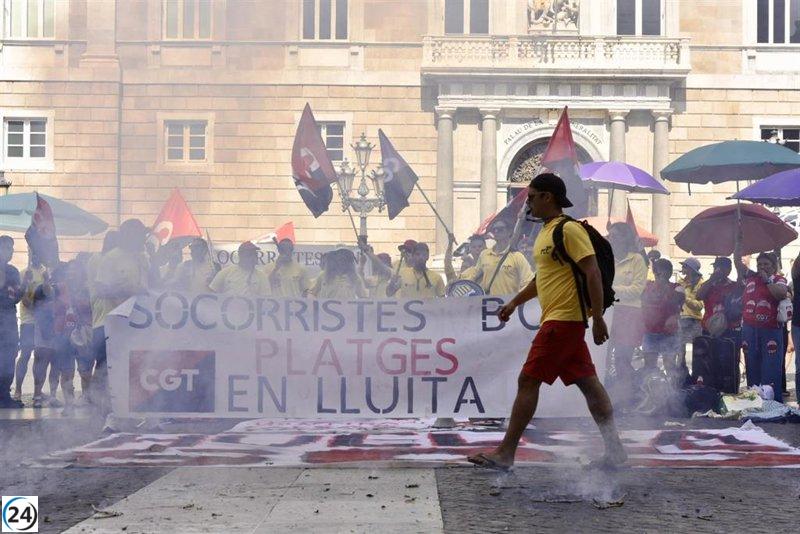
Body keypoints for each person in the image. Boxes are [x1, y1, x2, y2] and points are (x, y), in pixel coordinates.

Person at [467, 173, 626, 471]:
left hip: (563, 322)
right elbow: (544, 279)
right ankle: (615, 450)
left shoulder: (569, 230)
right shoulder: (546, 233)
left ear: (547, 197)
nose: (528, 202)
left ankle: (506, 453)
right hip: (561, 322)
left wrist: (599, 316)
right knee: (590, 386)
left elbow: (591, 272)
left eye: (532, 196)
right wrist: (514, 302)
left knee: (528, 380)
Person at [93, 219, 152, 412]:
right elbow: (101, 290)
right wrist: (126, 289)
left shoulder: (143, 258)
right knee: (108, 373)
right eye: (140, 235)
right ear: (129, 236)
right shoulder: (111, 258)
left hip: (136, 327)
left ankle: (135, 412)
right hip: (112, 327)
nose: (144, 239)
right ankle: (104, 414)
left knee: (135, 371)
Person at [735, 250, 788, 402]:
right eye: (759, 264)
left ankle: (771, 402)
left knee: (770, 366)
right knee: (751, 364)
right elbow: (738, 263)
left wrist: (767, 280)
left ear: (774, 266)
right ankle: (754, 399)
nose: (762, 267)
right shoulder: (751, 277)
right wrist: (738, 243)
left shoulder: (778, 279)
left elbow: (781, 294)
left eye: (766, 264)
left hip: (770, 330)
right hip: (750, 329)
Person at [606, 222, 647, 390]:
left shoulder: (637, 259)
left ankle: (626, 395)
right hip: (608, 313)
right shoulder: (606, 259)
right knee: (604, 357)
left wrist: (609, 290)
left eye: (614, 236)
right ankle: (607, 392)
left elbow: (637, 290)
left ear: (625, 238)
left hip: (630, 314)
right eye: (610, 236)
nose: (611, 239)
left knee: (623, 358)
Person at [640, 259, 686, 384]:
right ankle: (650, 394)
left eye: (665, 272)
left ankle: (673, 395)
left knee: (670, 368)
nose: (660, 275)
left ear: (670, 273)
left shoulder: (677, 287)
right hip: (650, 333)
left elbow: (678, 300)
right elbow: (644, 300)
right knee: (649, 368)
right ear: (654, 272)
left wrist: (664, 285)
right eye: (658, 272)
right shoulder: (648, 286)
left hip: (669, 334)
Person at [13, 250, 47, 402]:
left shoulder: (46, 273)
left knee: (40, 358)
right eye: (32, 252)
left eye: (38, 251)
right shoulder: (23, 273)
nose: (35, 255)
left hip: (43, 323)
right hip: (28, 322)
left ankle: (37, 393)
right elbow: (23, 300)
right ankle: (18, 390)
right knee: (25, 356)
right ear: (29, 254)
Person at [470, 218, 534, 296]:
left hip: (508, 305)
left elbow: (529, 281)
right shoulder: (484, 254)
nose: (496, 232)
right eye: (494, 229)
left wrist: (517, 298)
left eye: (500, 229)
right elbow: (474, 276)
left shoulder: (517, 256)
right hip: (487, 304)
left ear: (509, 232)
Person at [0, 236, 23, 408]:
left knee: (9, 356)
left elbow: (15, 297)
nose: (11, 252)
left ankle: (4, 394)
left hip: (8, 318)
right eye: (7, 248)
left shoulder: (13, 272)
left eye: (11, 248)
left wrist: (23, 289)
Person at [697, 257, 742, 345]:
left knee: (729, 356)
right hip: (709, 328)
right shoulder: (708, 285)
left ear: (728, 270)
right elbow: (698, 296)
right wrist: (711, 280)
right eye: (716, 268)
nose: (717, 270)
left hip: (730, 329)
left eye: (721, 268)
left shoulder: (734, 286)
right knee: (708, 357)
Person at [678, 258, 704, 376]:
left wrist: (685, 298)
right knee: (679, 352)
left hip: (694, 321)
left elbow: (699, 305)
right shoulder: (681, 283)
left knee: (698, 352)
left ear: (691, 269)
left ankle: (697, 377)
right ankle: (682, 376)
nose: (682, 268)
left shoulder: (701, 284)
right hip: (681, 320)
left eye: (685, 266)